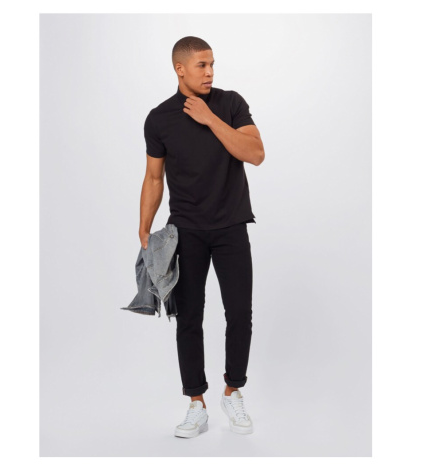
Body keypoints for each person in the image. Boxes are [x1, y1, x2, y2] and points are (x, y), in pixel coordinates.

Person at [138, 36, 265, 438]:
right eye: (201, 66)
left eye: (212, 65)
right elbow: (154, 177)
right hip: (186, 231)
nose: (210, 72)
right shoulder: (159, 118)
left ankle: (233, 391)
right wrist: (144, 227)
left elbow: (255, 153)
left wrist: (210, 118)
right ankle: (196, 403)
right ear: (180, 69)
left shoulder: (230, 104)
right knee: (188, 318)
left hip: (231, 226)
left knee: (239, 314)